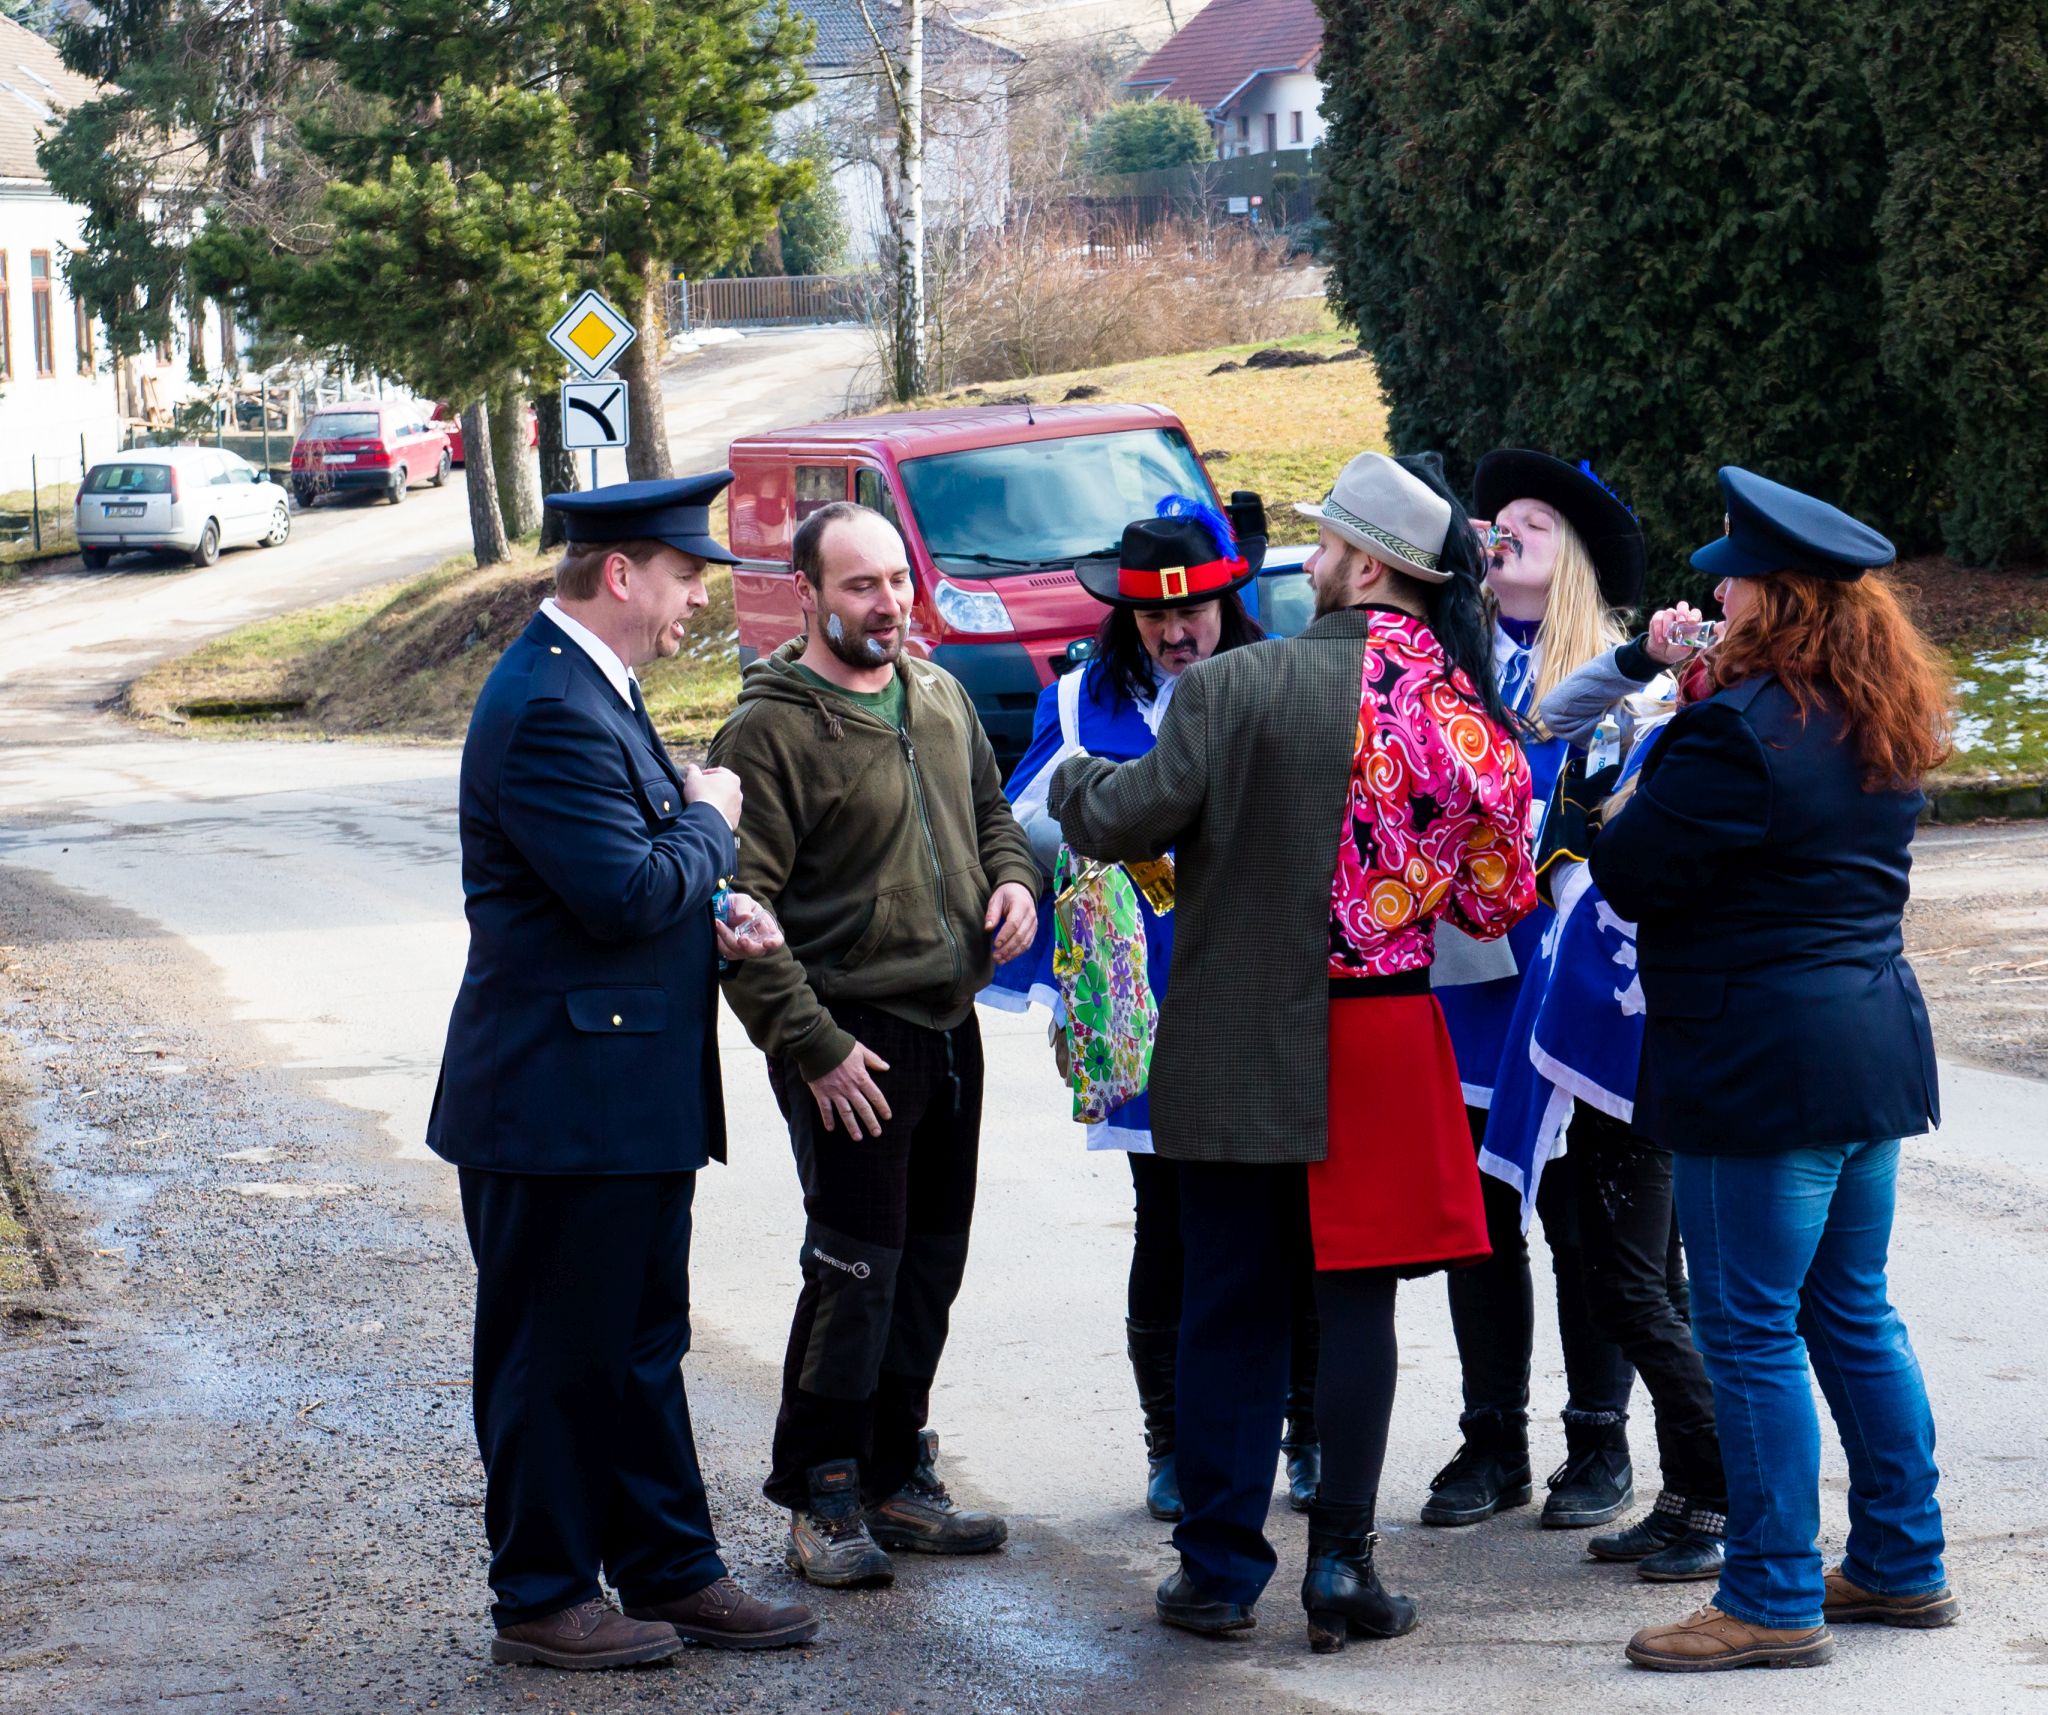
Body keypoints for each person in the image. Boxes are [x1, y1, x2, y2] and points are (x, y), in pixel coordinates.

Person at [1052, 451, 1534, 1651]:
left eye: (1323, 546)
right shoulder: (1466, 715)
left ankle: (1216, 1573)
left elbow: (1122, 816)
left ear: (1365, 565)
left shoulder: (1234, 685)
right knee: (1354, 1304)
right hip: (1385, 1030)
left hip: (1240, 1031)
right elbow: (1495, 900)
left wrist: (1072, 779)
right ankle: (1341, 1568)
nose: (1308, 562)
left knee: (1229, 1301)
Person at [425, 474, 819, 1669]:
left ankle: (669, 1567)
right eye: (685, 575)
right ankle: (543, 1595)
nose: (699, 597)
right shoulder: (550, 702)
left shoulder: (592, 685)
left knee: (640, 1342)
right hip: (558, 1104)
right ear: (619, 574)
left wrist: (715, 906)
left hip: (616, 1095)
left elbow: (629, 884)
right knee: (554, 1356)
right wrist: (711, 819)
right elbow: (622, 888)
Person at [1592, 467, 1957, 1672]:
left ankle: (1767, 1591)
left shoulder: (1733, 731)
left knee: (1747, 1329)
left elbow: (1627, 870)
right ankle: (1899, 1557)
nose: (1716, 596)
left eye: (1732, 581)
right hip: (1865, 1048)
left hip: (1756, 1065)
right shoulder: (1874, 709)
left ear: (1777, 596)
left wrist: (1642, 763)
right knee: (1849, 1308)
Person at [708, 499, 1043, 1589]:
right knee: (855, 1270)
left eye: (897, 578)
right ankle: (823, 1490)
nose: (888, 601)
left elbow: (994, 815)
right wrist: (811, 1046)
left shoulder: (937, 694)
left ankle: (897, 1473)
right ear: (805, 595)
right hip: (847, 1038)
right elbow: (733, 912)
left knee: (929, 1266)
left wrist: (1012, 880)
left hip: (947, 1027)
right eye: (860, 584)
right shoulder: (767, 732)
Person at [986, 496, 1323, 1523]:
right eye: (1154, 615)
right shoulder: (1078, 700)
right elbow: (1025, 817)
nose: (1176, 632)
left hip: (1260, 993)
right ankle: (1171, 1440)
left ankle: (1306, 1426)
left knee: (1291, 1219)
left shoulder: (1275, 679)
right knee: (1167, 1222)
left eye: (1193, 611)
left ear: (1228, 601)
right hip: (1145, 1006)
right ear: (1125, 615)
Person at [1426, 448, 1643, 1534]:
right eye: (1495, 518)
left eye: (1535, 522)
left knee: (1579, 1221)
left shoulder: (1620, 682)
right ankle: (1491, 1439)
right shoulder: (1443, 663)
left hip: (1566, 989)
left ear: (1576, 561)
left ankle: (1599, 1437)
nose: (1505, 530)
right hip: (1467, 986)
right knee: (1474, 1220)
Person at [1516, 600, 1731, 1583]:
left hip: (1647, 1035)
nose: (1698, 641)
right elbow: (1554, 717)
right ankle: (1689, 1495)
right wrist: (1641, 655)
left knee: (1631, 1288)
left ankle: (1723, 1492)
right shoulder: (1653, 717)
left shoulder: (1723, 735)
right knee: (1649, 1283)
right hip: (1615, 1028)